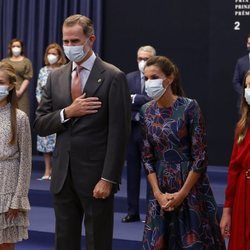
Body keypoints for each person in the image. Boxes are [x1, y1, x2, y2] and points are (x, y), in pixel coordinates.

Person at [33, 14, 131, 250]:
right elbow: (40, 124)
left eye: (75, 41)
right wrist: (68, 112)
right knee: (64, 241)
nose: (69, 47)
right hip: (62, 175)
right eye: (65, 41)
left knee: (98, 241)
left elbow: (119, 133)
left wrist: (108, 178)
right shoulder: (55, 77)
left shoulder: (113, 76)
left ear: (91, 39)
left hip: (97, 176)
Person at [140, 56, 225, 249]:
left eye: (154, 77)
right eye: (146, 78)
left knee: (193, 240)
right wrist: (157, 194)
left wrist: (182, 194)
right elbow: (146, 157)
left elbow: (200, 157)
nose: (149, 82)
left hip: (190, 186)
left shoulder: (189, 107)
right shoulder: (146, 111)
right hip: (159, 188)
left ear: (169, 78)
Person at [122, 45, 156, 223]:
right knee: (132, 173)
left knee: (151, 173)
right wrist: (137, 100)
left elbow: (153, 101)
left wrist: (135, 98)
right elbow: (123, 101)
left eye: (146, 59)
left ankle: (152, 212)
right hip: (131, 129)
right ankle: (132, 211)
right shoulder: (129, 78)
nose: (142, 62)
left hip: (150, 131)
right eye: (140, 58)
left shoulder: (157, 77)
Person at [0, 61, 32, 250]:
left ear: (11, 85)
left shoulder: (20, 118)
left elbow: (26, 162)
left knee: (4, 243)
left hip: (8, 187)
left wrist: (17, 198)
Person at [220, 70, 250, 249]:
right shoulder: (242, 127)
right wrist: (227, 211)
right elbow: (234, 169)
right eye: (247, 86)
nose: (248, 90)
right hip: (243, 193)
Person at [36, 43, 66, 180]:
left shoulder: (64, 70)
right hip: (45, 111)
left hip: (59, 111)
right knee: (45, 142)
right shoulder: (43, 71)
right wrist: (43, 104)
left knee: (57, 143)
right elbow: (38, 91)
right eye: (49, 53)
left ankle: (56, 170)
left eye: (54, 54)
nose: (51, 56)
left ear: (59, 56)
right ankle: (47, 170)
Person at [1, 38, 33, 116]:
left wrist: (19, 92)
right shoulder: (4, 61)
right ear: (10, 48)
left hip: (21, 94)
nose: (16, 48)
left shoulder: (26, 61)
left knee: (22, 116)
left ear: (21, 48)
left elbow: (28, 77)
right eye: (14, 46)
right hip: (7, 92)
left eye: (18, 46)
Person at [232, 34, 250, 110]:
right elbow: (235, 82)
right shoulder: (241, 62)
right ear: (247, 44)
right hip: (244, 105)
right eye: (249, 43)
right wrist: (245, 94)